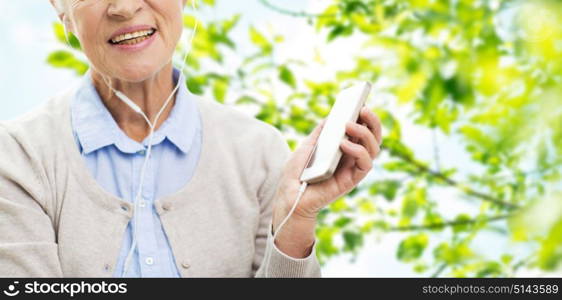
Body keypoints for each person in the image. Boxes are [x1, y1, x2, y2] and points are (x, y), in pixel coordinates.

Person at [0, 0, 382, 277]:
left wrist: (296, 218)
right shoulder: (18, 155)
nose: (124, 7)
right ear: (60, 10)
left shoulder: (258, 150)